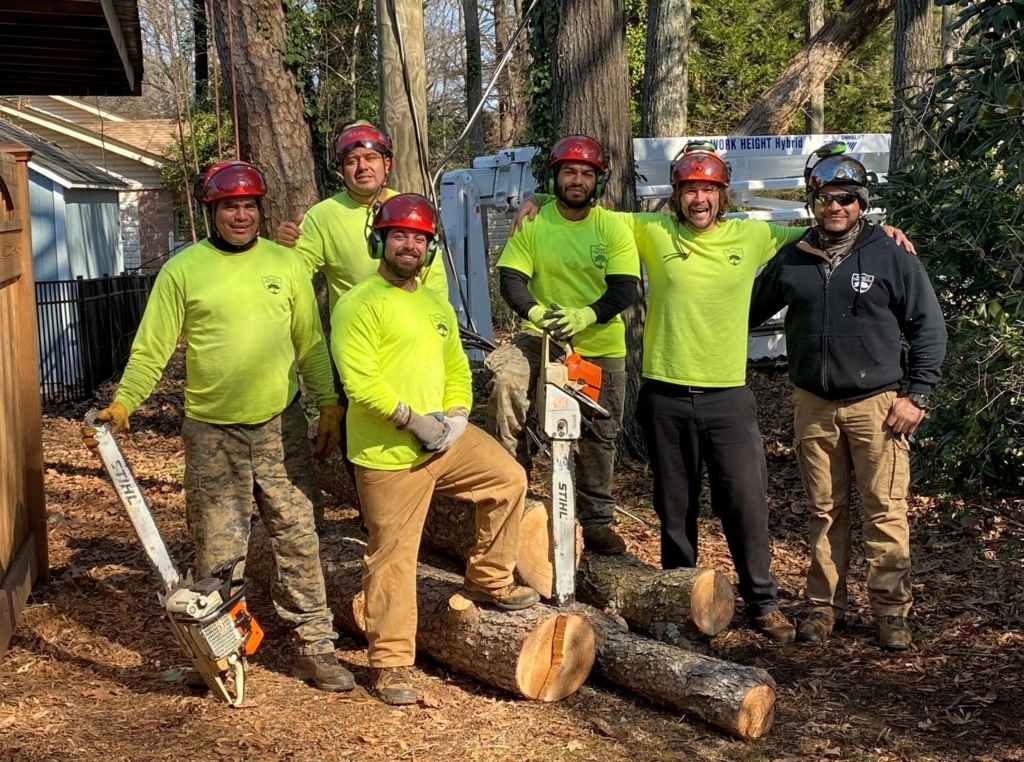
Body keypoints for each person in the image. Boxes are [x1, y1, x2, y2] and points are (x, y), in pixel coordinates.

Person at [513, 142, 915, 643]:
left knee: (744, 504)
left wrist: (883, 235)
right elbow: (581, 203)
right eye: (689, 189)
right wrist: (535, 198)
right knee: (674, 506)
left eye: (708, 189)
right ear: (677, 195)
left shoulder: (753, 235)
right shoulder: (649, 230)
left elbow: (829, 231)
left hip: (729, 394)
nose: (699, 199)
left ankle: (763, 604)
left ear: (722, 196)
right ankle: (679, 599)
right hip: (665, 392)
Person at [81, 161, 354, 692]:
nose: (242, 215)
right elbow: (152, 349)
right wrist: (124, 404)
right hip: (212, 434)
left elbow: (311, 344)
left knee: (299, 538)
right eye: (231, 206)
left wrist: (328, 405)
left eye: (250, 206)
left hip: (281, 428)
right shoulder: (184, 270)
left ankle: (314, 649)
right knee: (220, 550)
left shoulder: (287, 264)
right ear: (212, 211)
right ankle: (224, 654)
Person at [332, 193, 540, 706]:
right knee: (393, 559)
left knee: (509, 479)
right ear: (380, 239)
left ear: (429, 247)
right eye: (400, 235)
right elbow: (361, 383)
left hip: (444, 442)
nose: (410, 244)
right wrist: (411, 420)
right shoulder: (359, 303)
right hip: (388, 455)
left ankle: (489, 579)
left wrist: (456, 415)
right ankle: (391, 663)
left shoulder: (434, 302)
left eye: (419, 238)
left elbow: (454, 368)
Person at [749, 145, 946, 651]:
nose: (834, 207)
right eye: (824, 197)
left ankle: (891, 613)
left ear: (861, 203)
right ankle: (822, 609)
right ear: (812, 201)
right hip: (813, 402)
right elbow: (745, 310)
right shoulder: (793, 257)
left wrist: (917, 395)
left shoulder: (889, 252)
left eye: (845, 198)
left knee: (885, 510)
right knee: (825, 511)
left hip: (879, 405)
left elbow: (928, 326)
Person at [486, 134, 641, 556]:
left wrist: (587, 315)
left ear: (599, 181)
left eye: (586, 173)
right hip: (541, 338)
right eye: (569, 172)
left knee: (599, 435)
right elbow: (511, 278)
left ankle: (595, 521)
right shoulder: (535, 222)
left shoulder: (612, 227)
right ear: (554, 177)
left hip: (599, 344)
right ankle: (510, 497)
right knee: (506, 387)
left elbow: (625, 287)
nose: (577, 180)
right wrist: (535, 313)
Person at [276, 120, 448, 308]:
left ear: (387, 163)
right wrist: (285, 250)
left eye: (371, 157)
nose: (362, 166)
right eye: (351, 161)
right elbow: (292, 278)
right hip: (355, 330)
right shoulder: (322, 216)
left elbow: (434, 280)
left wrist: (438, 323)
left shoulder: (413, 210)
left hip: (413, 329)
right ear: (341, 170)